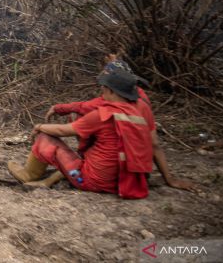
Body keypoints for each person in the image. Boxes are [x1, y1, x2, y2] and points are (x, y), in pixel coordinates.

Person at [43, 56, 196, 192]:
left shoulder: (104, 108)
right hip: (135, 177)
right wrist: (169, 179)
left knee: (72, 120)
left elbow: (70, 122)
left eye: (105, 84)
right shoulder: (142, 102)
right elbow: (155, 144)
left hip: (99, 179)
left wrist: (44, 121)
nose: (102, 87)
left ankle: (82, 163)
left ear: (112, 89)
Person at [8, 69, 154, 198]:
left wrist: (39, 126)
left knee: (45, 136)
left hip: (91, 181)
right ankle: (52, 178)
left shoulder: (103, 115)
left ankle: (28, 174)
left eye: (104, 88)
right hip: (124, 183)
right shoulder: (138, 115)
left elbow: (62, 130)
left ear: (111, 91)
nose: (102, 91)